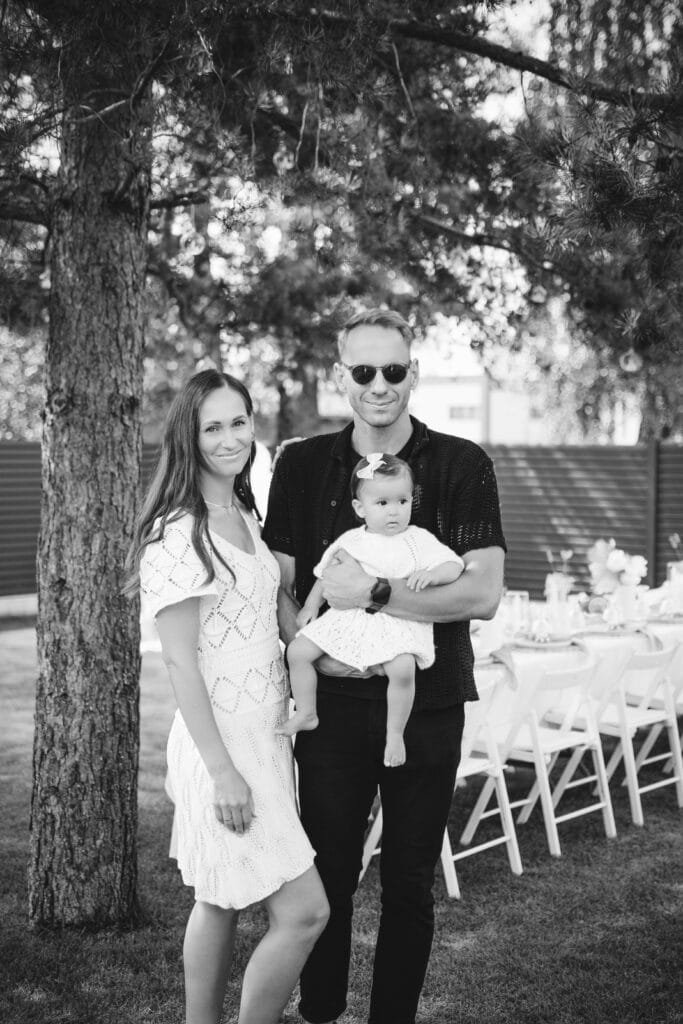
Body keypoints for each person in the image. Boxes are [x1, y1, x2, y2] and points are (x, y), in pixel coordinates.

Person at [262, 308, 506, 1024]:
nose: (378, 385)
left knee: (407, 883)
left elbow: (482, 592)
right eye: (363, 371)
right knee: (327, 875)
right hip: (330, 711)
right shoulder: (302, 464)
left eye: (393, 370)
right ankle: (321, 1011)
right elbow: (280, 585)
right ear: (341, 375)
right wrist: (328, 655)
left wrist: (374, 594)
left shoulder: (461, 464)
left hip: (427, 705)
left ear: (413, 373)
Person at [128, 369, 329, 1024]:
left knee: (217, 900)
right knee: (305, 912)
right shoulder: (177, 532)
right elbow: (179, 662)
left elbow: (274, 613)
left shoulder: (242, 512)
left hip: (266, 733)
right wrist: (223, 773)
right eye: (211, 427)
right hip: (222, 744)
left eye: (238, 422)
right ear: (188, 438)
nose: (229, 438)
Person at [278, 452, 464, 768]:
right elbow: (327, 576)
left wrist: (433, 574)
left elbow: (453, 565)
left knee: (402, 669)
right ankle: (307, 711)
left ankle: (395, 734)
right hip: (349, 619)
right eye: (382, 503)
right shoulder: (350, 541)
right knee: (297, 652)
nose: (394, 511)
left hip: (394, 620)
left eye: (402, 501)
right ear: (360, 508)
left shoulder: (418, 540)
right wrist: (310, 606)